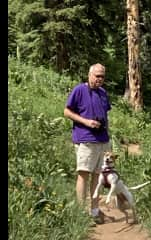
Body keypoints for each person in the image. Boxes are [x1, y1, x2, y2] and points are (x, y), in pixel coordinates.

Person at [64, 63, 111, 224]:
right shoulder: (79, 90)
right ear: (89, 75)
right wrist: (86, 122)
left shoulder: (103, 93)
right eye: (97, 75)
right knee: (83, 174)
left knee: (98, 177)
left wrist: (107, 135)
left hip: (102, 140)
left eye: (102, 76)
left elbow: (105, 115)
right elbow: (67, 111)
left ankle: (95, 210)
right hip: (85, 139)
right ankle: (80, 211)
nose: (99, 79)